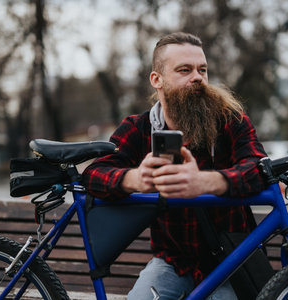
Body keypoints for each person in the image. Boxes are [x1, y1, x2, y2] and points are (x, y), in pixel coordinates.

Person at [83, 32, 267, 300]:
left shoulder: (231, 119)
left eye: (202, 70)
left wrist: (206, 182)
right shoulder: (139, 128)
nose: (198, 77)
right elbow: (94, 173)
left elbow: (259, 168)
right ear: (157, 80)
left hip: (230, 261)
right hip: (172, 261)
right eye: (184, 70)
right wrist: (134, 179)